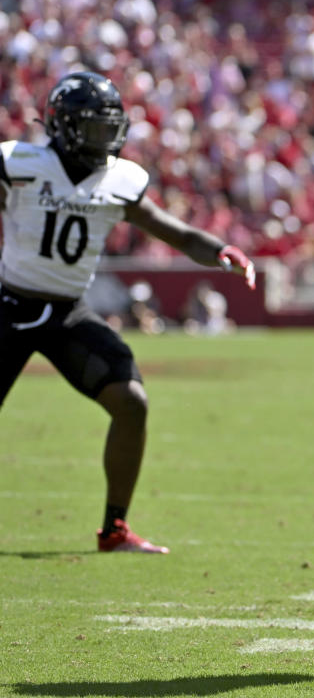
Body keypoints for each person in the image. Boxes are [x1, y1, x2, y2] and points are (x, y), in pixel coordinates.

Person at [0, 71, 256, 554]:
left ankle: (115, 529)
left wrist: (222, 249)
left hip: (68, 312)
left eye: (109, 126)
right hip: (11, 303)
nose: (106, 137)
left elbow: (173, 231)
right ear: (63, 124)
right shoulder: (21, 162)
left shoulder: (118, 177)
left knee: (131, 401)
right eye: (94, 127)